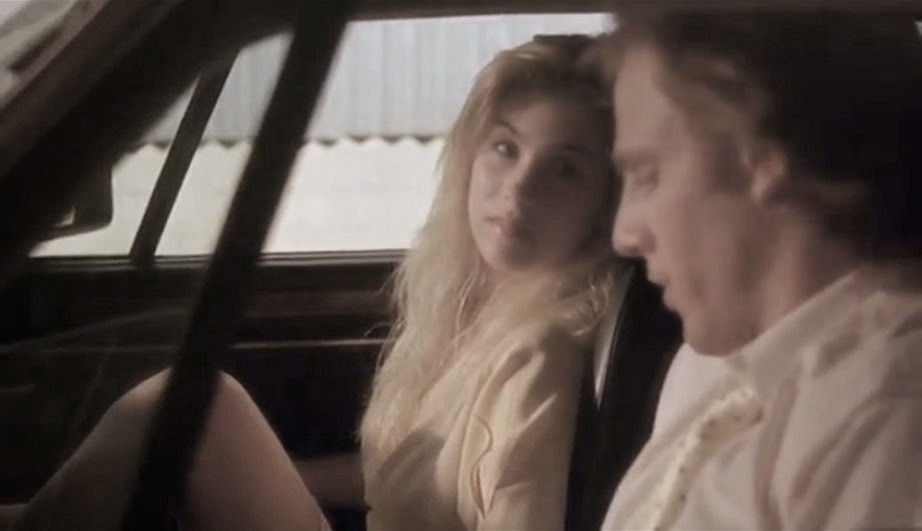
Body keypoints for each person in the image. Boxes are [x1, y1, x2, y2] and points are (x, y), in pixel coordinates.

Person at [12, 33, 622, 531]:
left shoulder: (538, 357)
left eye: (565, 170)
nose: (519, 188)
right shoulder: (483, 310)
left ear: (604, 203)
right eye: (506, 147)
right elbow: (408, 476)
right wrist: (276, 478)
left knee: (193, 404)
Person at [600, 7, 922, 530]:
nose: (624, 235)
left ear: (764, 163)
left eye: (647, 175)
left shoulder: (885, 405)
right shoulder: (707, 373)